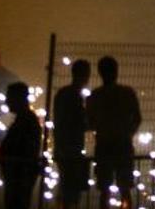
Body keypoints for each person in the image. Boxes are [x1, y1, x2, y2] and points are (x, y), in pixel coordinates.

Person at [85, 56, 141, 209]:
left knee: (105, 189)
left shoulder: (94, 96)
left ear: (100, 72)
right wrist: (128, 133)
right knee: (125, 188)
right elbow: (137, 117)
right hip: (123, 144)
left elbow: (89, 122)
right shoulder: (127, 93)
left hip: (104, 144)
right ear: (116, 71)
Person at [53, 59, 90, 209]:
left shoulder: (62, 93)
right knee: (71, 189)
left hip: (62, 146)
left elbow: (60, 121)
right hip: (73, 148)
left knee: (65, 186)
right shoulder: (75, 96)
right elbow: (80, 123)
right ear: (86, 75)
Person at [0, 82, 42, 209]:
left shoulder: (25, 121)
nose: (7, 101)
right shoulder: (26, 119)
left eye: (9, 98)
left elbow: (18, 146)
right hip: (19, 173)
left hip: (19, 174)